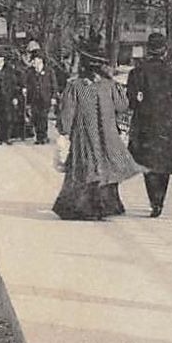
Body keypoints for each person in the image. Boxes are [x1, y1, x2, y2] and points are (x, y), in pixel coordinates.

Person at [52, 48, 142, 220]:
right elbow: (123, 106)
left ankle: (83, 207)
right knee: (106, 166)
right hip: (108, 134)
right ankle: (107, 205)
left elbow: (67, 114)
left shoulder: (75, 86)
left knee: (85, 167)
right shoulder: (109, 85)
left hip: (83, 135)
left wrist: (64, 131)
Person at [125, 32, 172, 218]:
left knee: (148, 163)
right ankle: (159, 201)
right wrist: (170, 109)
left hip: (144, 124)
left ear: (149, 49)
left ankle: (153, 200)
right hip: (167, 124)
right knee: (164, 162)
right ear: (165, 50)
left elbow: (131, 101)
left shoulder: (137, 72)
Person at [23, 50, 56, 145]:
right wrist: (25, 88)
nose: (33, 62)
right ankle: (38, 137)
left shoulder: (49, 71)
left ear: (41, 60)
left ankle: (44, 136)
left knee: (43, 117)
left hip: (45, 98)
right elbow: (26, 82)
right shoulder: (30, 71)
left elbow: (54, 84)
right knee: (36, 117)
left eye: (35, 60)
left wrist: (53, 97)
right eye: (33, 60)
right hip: (34, 98)